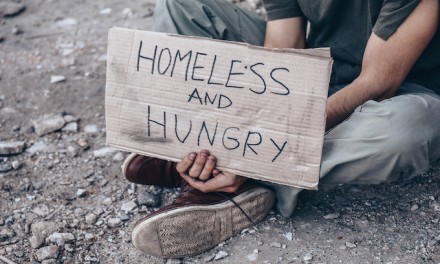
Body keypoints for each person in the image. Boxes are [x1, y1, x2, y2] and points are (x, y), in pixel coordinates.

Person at [123, 0, 440, 258]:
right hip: (322, 71)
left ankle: (242, 176)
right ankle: (206, 150)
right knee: (183, 8)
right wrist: (257, 130)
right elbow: (282, 51)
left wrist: (259, 150)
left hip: (403, 93)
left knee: (408, 131)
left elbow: (378, 83)